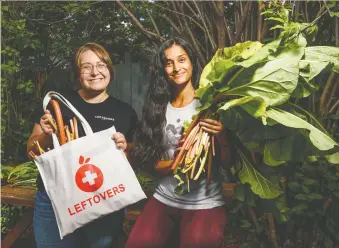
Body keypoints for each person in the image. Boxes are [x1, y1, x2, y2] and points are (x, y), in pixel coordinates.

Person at [27, 42, 138, 248]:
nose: (95, 72)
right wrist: (45, 135)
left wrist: (126, 147)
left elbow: (132, 157)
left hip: (103, 201)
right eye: (86, 67)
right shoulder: (57, 105)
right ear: (78, 73)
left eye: (101, 65)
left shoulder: (125, 112)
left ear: (110, 71)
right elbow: (32, 150)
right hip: (54, 202)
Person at [126, 37, 231, 248]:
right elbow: (150, 162)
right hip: (164, 198)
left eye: (182, 59)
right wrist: (176, 164)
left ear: (192, 62)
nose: (176, 68)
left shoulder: (212, 104)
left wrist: (221, 136)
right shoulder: (158, 107)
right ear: (163, 69)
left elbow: (228, 164)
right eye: (168, 62)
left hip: (205, 202)